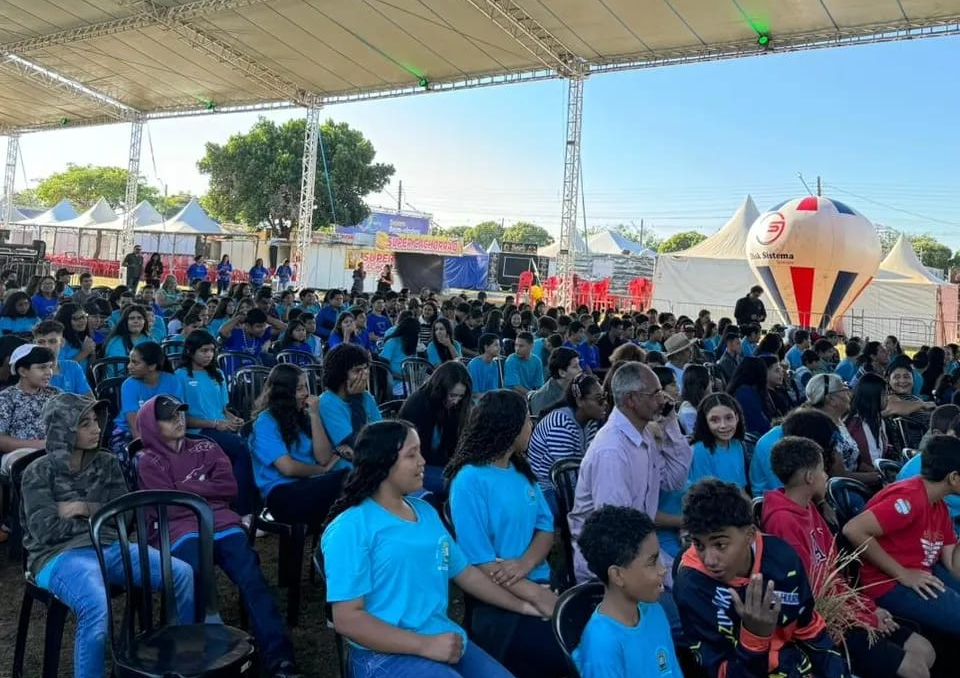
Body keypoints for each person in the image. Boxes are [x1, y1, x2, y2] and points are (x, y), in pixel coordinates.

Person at [321, 420, 547, 678]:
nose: (422, 461)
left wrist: (525, 606)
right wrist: (424, 645)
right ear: (383, 463)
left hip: (441, 638)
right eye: (411, 454)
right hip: (382, 655)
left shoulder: (425, 512)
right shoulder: (351, 527)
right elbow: (347, 619)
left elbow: (468, 575)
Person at [21, 393, 196, 678]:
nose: (96, 429)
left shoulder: (107, 462)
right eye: (84, 424)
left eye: (96, 421)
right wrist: (101, 517)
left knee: (182, 573)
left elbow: (125, 515)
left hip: (111, 545)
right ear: (63, 428)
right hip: (59, 556)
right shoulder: (38, 472)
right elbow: (45, 531)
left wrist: (83, 508)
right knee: (95, 604)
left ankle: (182, 661)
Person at [135, 394, 302, 678]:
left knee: (252, 578)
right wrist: (202, 486)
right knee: (193, 575)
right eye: (169, 417)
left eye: (181, 413)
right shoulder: (147, 460)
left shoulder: (206, 445)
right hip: (179, 530)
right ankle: (199, 661)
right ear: (152, 425)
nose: (179, 420)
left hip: (222, 524)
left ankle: (279, 658)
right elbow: (169, 507)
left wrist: (187, 488)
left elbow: (229, 488)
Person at [762, 436, 936, 678]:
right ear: (809, 478)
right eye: (822, 470)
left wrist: (869, 609)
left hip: (849, 611)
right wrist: (866, 617)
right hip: (826, 625)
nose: (826, 476)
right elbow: (813, 592)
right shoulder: (782, 521)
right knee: (915, 668)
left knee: (925, 650)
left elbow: (834, 573)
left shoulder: (808, 507)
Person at [675, 478, 849, 678]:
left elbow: (808, 628)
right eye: (699, 545)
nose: (709, 560)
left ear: (749, 535)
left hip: (790, 664)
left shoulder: (782, 559)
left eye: (720, 545)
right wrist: (754, 637)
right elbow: (718, 670)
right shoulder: (691, 585)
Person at [445, 390, 565, 678]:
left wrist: (525, 565)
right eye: (527, 420)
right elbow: (480, 562)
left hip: (540, 582)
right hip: (500, 598)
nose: (531, 426)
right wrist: (534, 594)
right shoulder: (469, 480)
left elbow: (545, 529)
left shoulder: (520, 471)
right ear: (508, 427)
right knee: (564, 657)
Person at [567, 361, 692, 631]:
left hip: (641, 553)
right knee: (687, 615)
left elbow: (675, 478)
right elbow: (616, 535)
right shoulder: (612, 451)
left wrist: (670, 423)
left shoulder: (643, 433)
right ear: (631, 400)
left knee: (697, 590)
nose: (663, 399)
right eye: (655, 393)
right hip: (615, 568)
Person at [843, 435, 960, 635]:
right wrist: (902, 573)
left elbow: (953, 564)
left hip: (921, 572)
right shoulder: (910, 498)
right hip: (888, 584)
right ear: (954, 478)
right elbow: (853, 529)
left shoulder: (938, 504)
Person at [573, 505, 681, 678]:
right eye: (652, 562)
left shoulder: (655, 610)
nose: (662, 570)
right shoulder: (602, 644)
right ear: (617, 575)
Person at [250, 364, 350, 532]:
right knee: (347, 479)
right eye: (299, 388)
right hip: (282, 495)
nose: (305, 393)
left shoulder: (301, 415)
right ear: (284, 392)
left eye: (305, 387)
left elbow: (324, 457)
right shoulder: (265, 422)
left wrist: (314, 416)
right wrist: (321, 470)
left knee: (355, 479)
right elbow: (288, 468)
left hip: (309, 486)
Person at [175, 330, 254, 515]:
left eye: (211, 350)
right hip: (198, 432)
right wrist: (217, 424)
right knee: (240, 448)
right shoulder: (180, 376)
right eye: (203, 350)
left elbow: (222, 408)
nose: (209, 355)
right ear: (190, 351)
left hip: (220, 428)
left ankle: (242, 502)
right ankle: (244, 510)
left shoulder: (216, 374)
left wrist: (232, 419)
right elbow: (181, 418)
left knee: (250, 443)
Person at [527, 373, 604, 515]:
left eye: (605, 397)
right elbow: (567, 479)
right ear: (580, 401)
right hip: (544, 486)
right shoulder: (561, 424)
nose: (604, 403)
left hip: (570, 480)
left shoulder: (591, 421)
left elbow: (589, 462)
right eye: (599, 399)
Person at [398, 361, 472, 496]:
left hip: (439, 464)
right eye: (453, 395)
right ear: (441, 390)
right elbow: (414, 454)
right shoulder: (418, 406)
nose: (456, 401)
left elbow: (454, 445)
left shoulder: (453, 408)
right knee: (462, 485)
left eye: (460, 396)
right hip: (415, 467)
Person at [319, 344, 382, 459]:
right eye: (357, 371)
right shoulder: (327, 403)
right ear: (340, 375)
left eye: (366, 368)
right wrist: (356, 399)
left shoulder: (366, 397)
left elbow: (382, 431)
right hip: (347, 468)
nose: (364, 376)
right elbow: (358, 443)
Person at [0, 344, 59, 459]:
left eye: (50, 366)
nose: (49, 372)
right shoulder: (6, 398)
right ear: (23, 371)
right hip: (19, 455)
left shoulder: (56, 394)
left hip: (55, 452)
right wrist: (39, 446)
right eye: (42, 367)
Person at [33, 320, 91, 395]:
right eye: (41, 342)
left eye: (52, 341)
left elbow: (89, 401)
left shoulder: (73, 367)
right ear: (34, 344)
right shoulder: (29, 373)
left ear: (62, 343)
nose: (46, 346)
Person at [847, 372, 894, 463]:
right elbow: (872, 459)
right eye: (885, 394)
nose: (887, 398)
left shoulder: (876, 418)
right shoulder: (859, 425)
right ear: (873, 396)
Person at [528, 346, 581, 417]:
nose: (580, 370)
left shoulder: (571, 388)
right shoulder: (545, 399)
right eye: (575, 367)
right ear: (562, 372)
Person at [54, 303, 97, 371]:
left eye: (83, 316)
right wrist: (84, 352)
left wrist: (92, 353)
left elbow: (91, 367)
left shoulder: (81, 336)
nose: (82, 320)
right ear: (65, 321)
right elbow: (59, 369)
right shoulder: (59, 341)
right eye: (75, 318)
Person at [503, 331, 543, 395]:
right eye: (516, 345)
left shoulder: (537, 361)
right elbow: (515, 386)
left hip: (529, 396)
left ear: (531, 346)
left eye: (521, 346)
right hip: (512, 396)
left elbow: (539, 385)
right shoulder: (511, 360)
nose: (517, 349)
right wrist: (531, 395)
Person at [678, 364, 712, 435]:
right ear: (701, 384)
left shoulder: (701, 404)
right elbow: (697, 436)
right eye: (710, 379)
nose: (713, 383)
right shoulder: (688, 411)